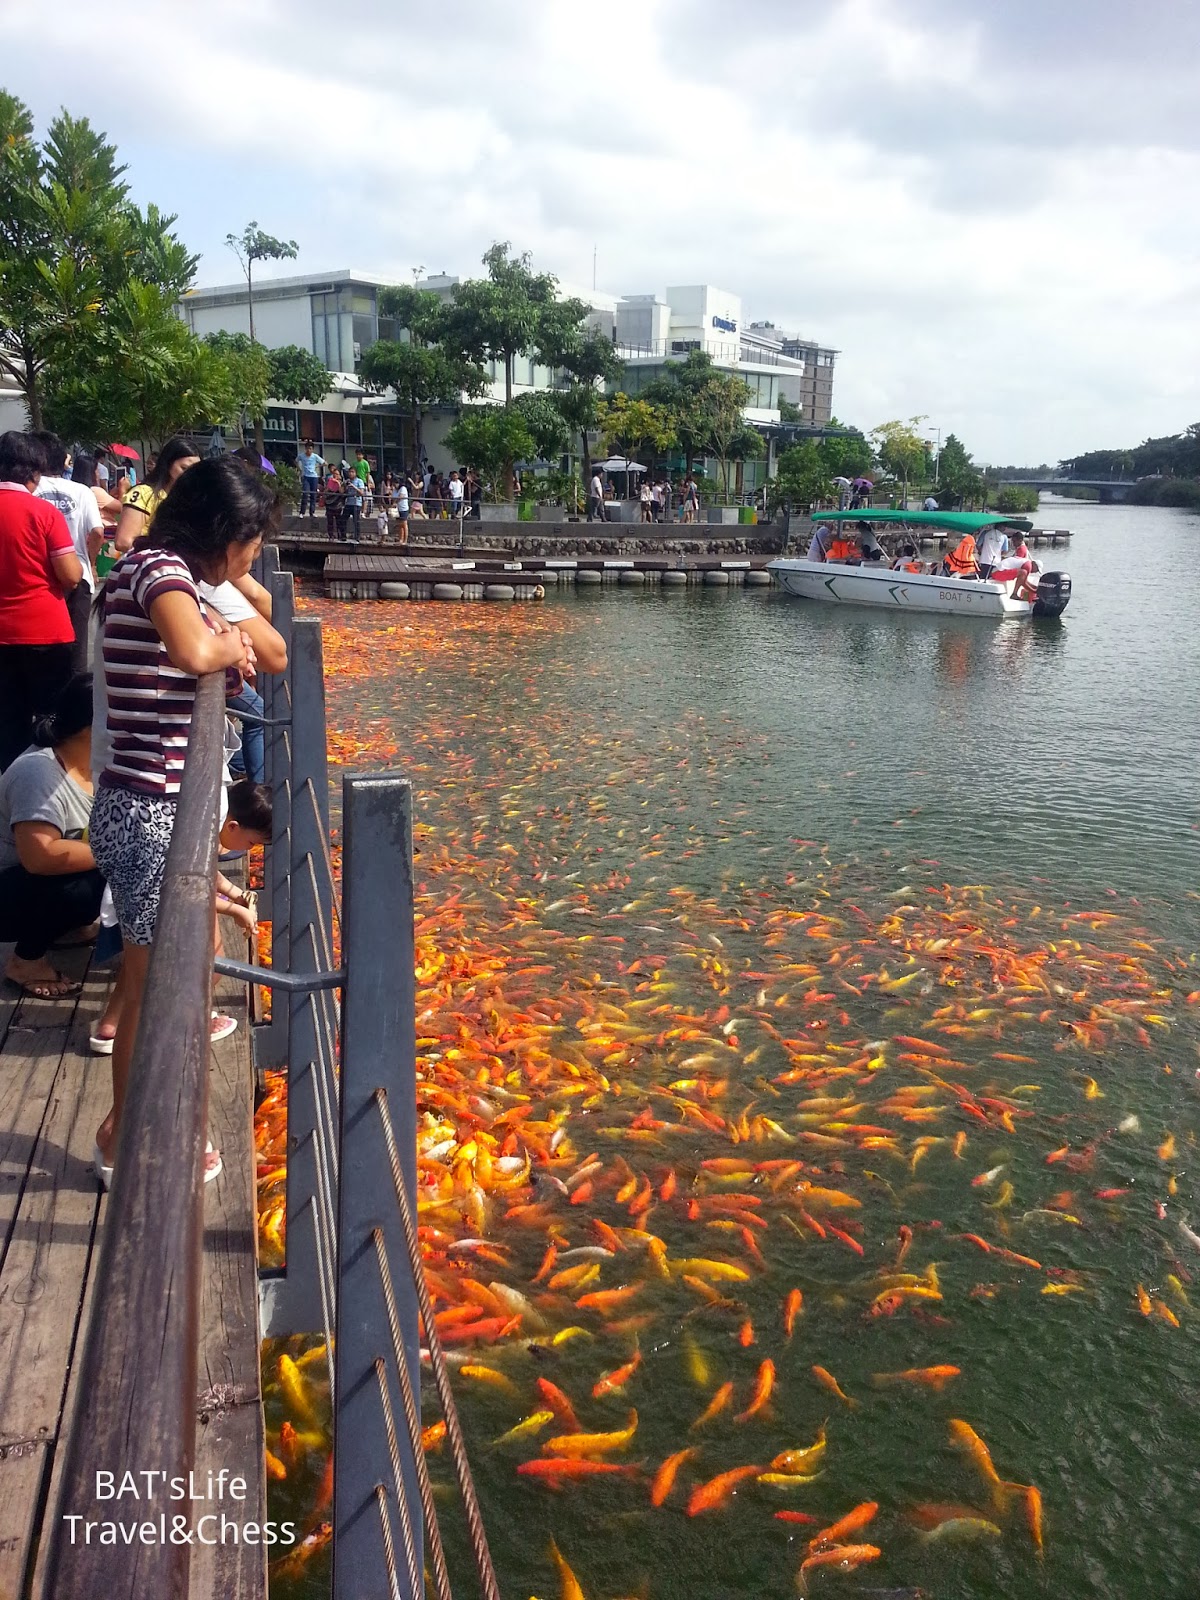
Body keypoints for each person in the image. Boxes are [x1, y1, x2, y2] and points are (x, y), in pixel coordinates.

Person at [89, 457, 273, 1190]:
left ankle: (134, 1125)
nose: (254, 557)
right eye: (252, 542)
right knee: (153, 989)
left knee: (159, 983)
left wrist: (229, 655)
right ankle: (130, 1136)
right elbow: (195, 651)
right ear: (224, 535)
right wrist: (231, 645)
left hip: (152, 802)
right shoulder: (161, 569)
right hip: (147, 810)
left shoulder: (161, 571)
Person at [0, 674, 103, 999]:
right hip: (10, 891)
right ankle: (25, 961)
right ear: (90, 728)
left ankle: (68, 929)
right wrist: (121, 850)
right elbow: (40, 857)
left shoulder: (97, 764)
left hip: (32, 886)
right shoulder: (38, 772)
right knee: (88, 886)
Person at [0, 432, 84, 772]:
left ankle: (9, 798)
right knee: (53, 721)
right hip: (46, 632)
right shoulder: (43, 513)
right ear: (34, 473)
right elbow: (71, 575)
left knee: (7, 720)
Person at [32, 432, 104, 674]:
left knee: (40, 647)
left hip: (40, 577)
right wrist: (91, 562)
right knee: (77, 645)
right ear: (63, 460)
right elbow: (96, 532)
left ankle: (44, 706)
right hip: (78, 574)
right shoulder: (82, 491)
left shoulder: (28, 490)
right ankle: (75, 705)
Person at [113, 437, 200, 553]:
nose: (190, 475)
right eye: (184, 468)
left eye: (196, 470)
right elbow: (123, 542)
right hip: (149, 567)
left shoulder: (191, 500)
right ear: (168, 464)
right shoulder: (144, 493)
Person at [298, 441, 324, 516]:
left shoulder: (315, 456)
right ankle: (302, 512)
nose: (308, 450)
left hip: (314, 477)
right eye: (307, 448)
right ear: (305, 449)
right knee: (305, 493)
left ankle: (312, 512)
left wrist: (317, 467)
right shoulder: (302, 456)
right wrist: (300, 469)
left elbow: (324, 463)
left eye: (310, 449)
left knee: (313, 494)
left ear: (312, 449)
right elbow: (296, 461)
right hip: (306, 476)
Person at [341, 470, 363, 539]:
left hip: (356, 503)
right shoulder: (347, 481)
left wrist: (353, 486)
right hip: (348, 503)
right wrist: (343, 485)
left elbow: (361, 493)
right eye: (349, 472)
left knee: (356, 521)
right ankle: (343, 536)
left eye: (353, 472)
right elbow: (341, 492)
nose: (350, 473)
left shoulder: (359, 481)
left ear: (356, 473)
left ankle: (357, 537)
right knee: (343, 519)